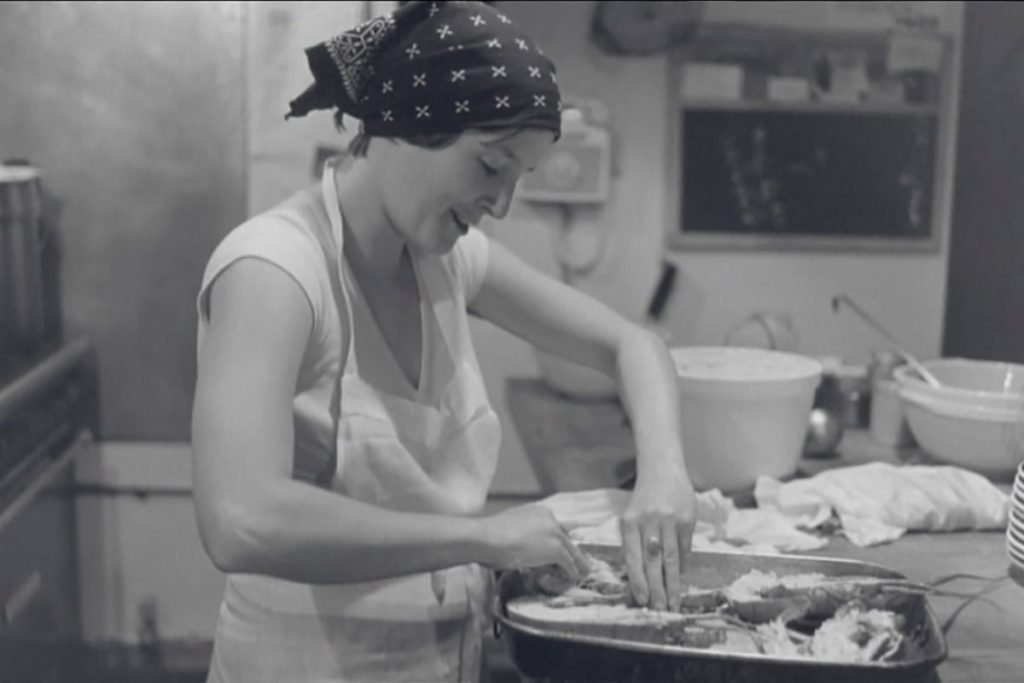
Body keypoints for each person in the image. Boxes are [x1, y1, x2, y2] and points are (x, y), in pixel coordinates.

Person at [191, 2, 696, 681]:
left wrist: (663, 473)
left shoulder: (448, 260)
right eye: (491, 168)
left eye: (519, 179)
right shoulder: (275, 269)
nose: (502, 203)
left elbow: (632, 345)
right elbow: (240, 517)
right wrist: (485, 537)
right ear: (407, 126)